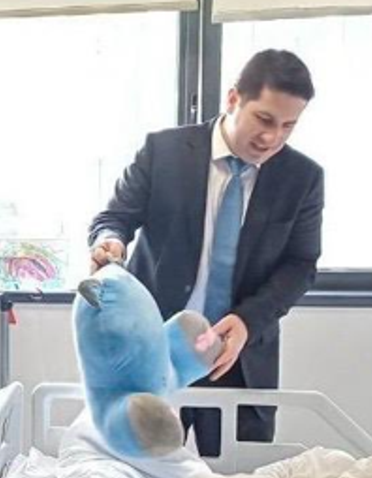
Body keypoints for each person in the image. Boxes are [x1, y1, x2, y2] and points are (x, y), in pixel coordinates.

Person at [88, 49, 323, 456]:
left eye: (288, 126)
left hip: (239, 356)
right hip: (157, 347)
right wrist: (110, 241)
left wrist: (248, 320)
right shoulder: (164, 152)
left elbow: (300, 265)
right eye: (264, 119)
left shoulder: (301, 177)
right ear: (233, 99)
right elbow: (116, 218)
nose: (272, 138)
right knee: (144, 473)